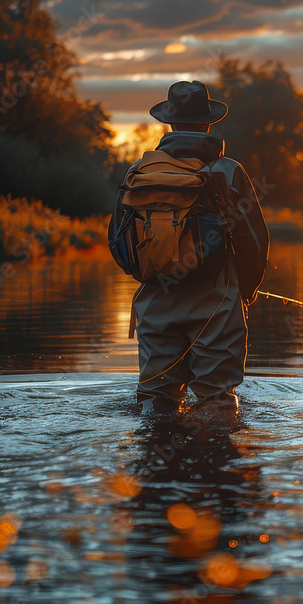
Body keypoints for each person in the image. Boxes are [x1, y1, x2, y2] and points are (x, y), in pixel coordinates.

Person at [109, 81, 270, 414]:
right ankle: (215, 459)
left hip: (154, 303)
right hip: (216, 305)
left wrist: (153, 270)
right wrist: (247, 291)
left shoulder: (139, 173)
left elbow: (117, 241)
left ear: (169, 123)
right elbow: (254, 244)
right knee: (216, 400)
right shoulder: (227, 172)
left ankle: (157, 457)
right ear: (209, 122)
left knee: (156, 400)